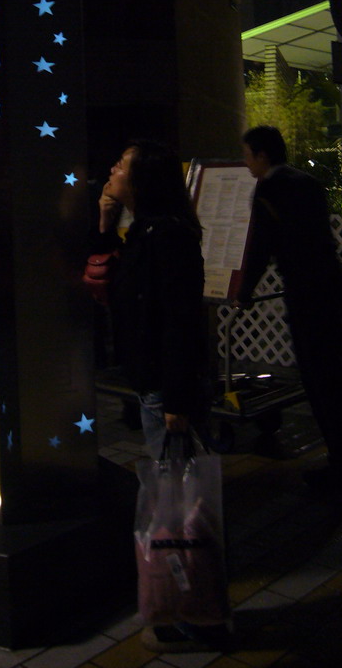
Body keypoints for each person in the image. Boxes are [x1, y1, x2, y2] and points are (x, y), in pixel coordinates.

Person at [95, 139, 228, 653]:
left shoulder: (167, 236)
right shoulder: (143, 232)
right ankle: (183, 600)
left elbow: (180, 323)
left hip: (164, 389)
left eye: (121, 165)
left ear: (143, 180)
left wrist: (175, 399)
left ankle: (198, 611)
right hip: (152, 383)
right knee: (176, 501)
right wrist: (106, 225)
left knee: (182, 503)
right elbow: (108, 284)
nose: (111, 169)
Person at [237, 125, 342, 493]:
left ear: (262, 155)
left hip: (303, 291)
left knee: (318, 378)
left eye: (248, 155)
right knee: (336, 371)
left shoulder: (270, 188)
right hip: (328, 284)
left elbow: (261, 245)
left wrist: (244, 287)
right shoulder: (308, 182)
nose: (246, 163)